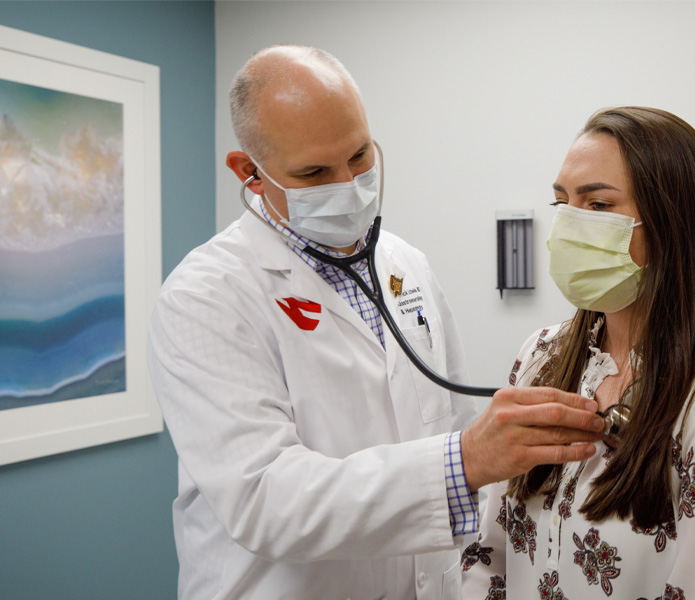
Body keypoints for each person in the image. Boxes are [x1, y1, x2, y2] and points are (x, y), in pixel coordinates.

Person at [147, 45, 603, 600]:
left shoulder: (405, 265)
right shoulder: (205, 296)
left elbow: (452, 422)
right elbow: (265, 500)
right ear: (251, 173)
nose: (349, 182)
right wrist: (464, 462)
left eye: (360, 156)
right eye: (314, 172)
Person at [460, 107, 695, 600]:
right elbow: (490, 554)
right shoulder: (541, 356)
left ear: (672, 222)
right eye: (561, 202)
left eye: (598, 205)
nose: (567, 225)